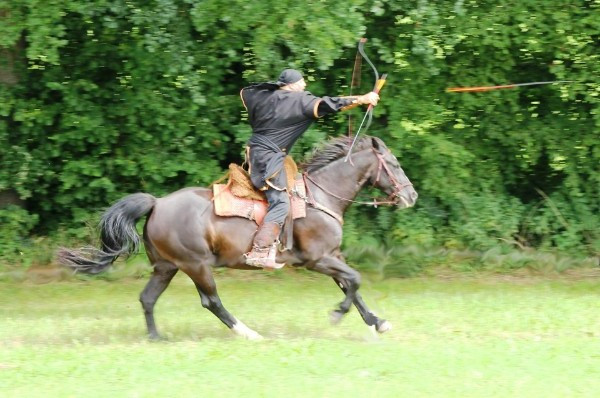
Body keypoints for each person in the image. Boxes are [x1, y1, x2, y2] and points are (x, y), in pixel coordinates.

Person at [240, 68, 379, 269]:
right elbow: (328, 104)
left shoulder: (266, 98)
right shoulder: (297, 100)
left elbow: (247, 92)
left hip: (257, 152)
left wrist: (361, 100)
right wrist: (362, 98)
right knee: (279, 201)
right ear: (292, 84)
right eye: (302, 82)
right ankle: (259, 251)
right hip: (268, 158)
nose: (304, 85)